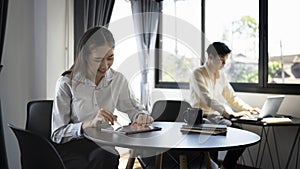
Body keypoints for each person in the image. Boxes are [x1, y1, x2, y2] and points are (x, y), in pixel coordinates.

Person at [51, 26, 153, 169]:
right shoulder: (66, 83)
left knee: (106, 157)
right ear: (85, 56)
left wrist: (141, 116)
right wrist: (89, 123)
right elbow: (57, 134)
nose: (105, 66)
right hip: (72, 147)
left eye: (110, 58)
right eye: (98, 59)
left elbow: (133, 108)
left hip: (103, 146)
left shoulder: (118, 79)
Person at [189, 42, 259, 169]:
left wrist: (249, 109)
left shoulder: (221, 76)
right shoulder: (197, 73)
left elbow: (232, 97)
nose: (224, 64)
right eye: (221, 60)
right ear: (210, 56)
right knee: (222, 135)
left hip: (216, 117)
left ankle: (225, 166)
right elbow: (207, 99)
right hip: (199, 117)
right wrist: (228, 113)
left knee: (241, 135)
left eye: (225, 60)